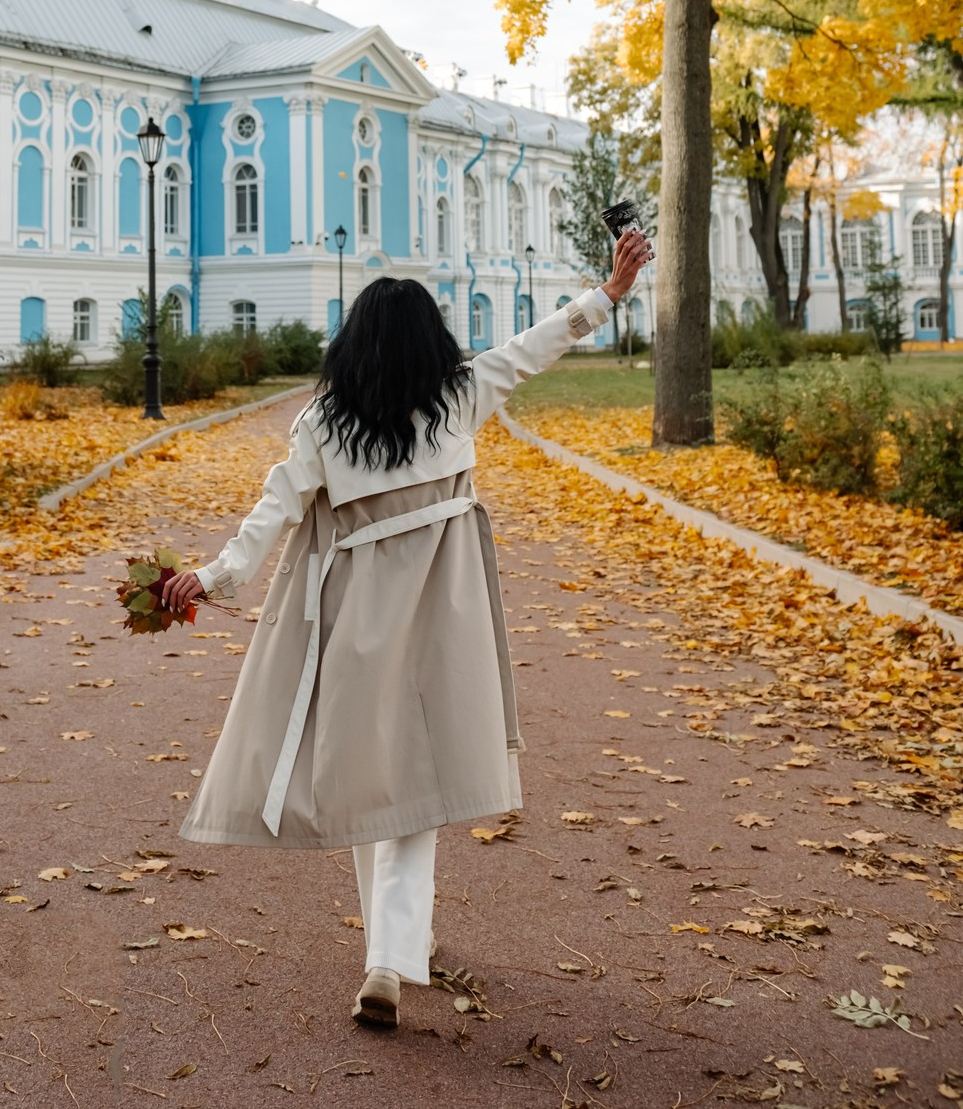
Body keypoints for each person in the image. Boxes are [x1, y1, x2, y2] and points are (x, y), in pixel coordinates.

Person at [162, 227, 652, 1029]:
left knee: (371, 777)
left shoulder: (322, 423)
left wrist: (208, 578)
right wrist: (609, 292)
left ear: (351, 345)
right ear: (434, 340)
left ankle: (393, 949)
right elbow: (534, 348)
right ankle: (390, 957)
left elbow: (273, 512)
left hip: (353, 618)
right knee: (415, 792)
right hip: (443, 617)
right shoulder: (461, 394)